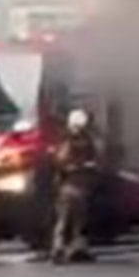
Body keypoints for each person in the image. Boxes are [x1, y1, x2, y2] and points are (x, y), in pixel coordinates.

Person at [51, 109, 100, 264]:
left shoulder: (69, 141)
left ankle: (72, 248)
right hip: (73, 187)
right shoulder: (75, 142)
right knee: (69, 220)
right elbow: (61, 163)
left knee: (73, 220)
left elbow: (60, 162)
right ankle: (64, 248)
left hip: (74, 188)